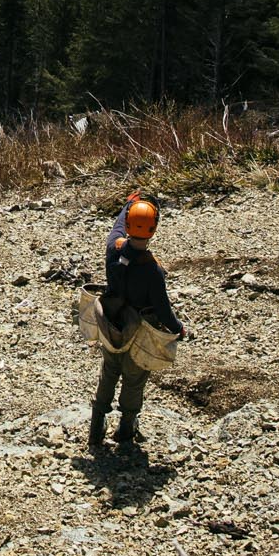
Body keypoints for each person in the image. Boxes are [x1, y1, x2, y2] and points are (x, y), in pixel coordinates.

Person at [89, 193, 185, 455]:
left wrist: (129, 205)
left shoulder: (113, 249)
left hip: (113, 324)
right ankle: (126, 429)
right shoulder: (152, 270)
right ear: (153, 229)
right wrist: (178, 328)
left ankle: (96, 427)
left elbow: (118, 228)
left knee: (109, 371)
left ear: (129, 225)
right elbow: (164, 310)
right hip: (139, 330)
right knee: (134, 378)